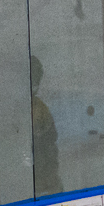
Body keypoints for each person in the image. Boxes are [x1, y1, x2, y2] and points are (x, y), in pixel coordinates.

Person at [30, 56, 63, 196]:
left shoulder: (40, 109)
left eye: (36, 80)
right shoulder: (26, 108)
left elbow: (50, 142)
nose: (35, 85)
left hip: (45, 182)